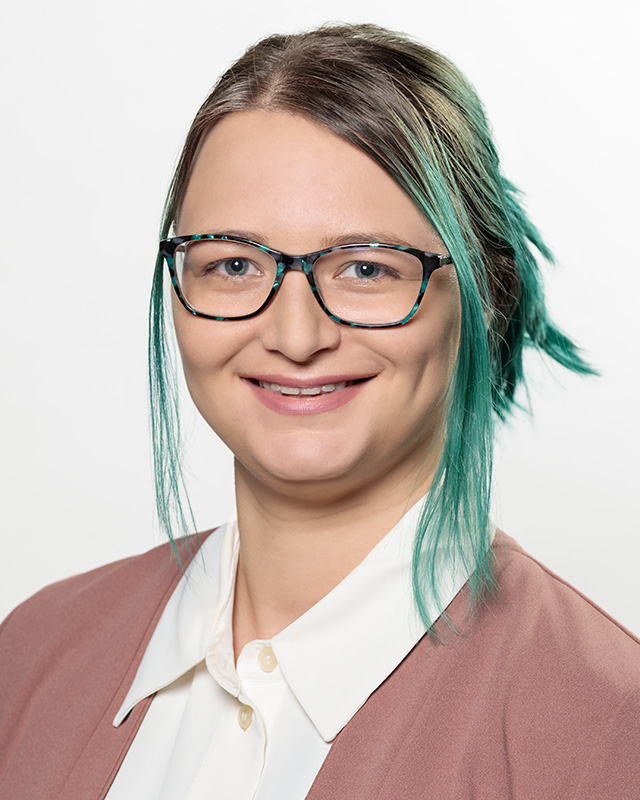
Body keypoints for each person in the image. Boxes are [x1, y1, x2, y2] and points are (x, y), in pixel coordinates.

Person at [1, 22, 638, 800]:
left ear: (486, 298)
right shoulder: (29, 655)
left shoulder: (605, 730)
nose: (296, 336)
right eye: (233, 263)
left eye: (366, 267)